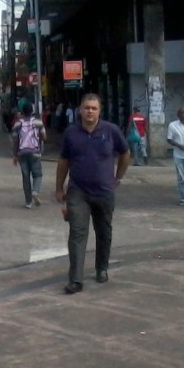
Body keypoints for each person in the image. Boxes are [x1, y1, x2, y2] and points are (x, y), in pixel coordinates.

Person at [55, 93, 130, 294]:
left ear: (99, 111)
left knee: (104, 232)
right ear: (80, 110)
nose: (90, 111)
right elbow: (63, 161)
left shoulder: (111, 131)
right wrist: (58, 188)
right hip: (78, 191)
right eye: (87, 107)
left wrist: (118, 177)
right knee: (77, 233)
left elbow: (125, 153)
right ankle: (76, 279)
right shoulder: (71, 133)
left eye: (94, 108)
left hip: (104, 192)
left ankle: (101, 268)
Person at [12, 102, 47, 208]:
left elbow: (15, 140)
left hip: (22, 153)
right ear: (32, 111)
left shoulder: (17, 124)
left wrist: (15, 155)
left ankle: (28, 202)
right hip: (35, 152)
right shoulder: (38, 122)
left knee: (25, 177)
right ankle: (35, 191)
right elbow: (45, 137)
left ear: (22, 112)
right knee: (38, 175)